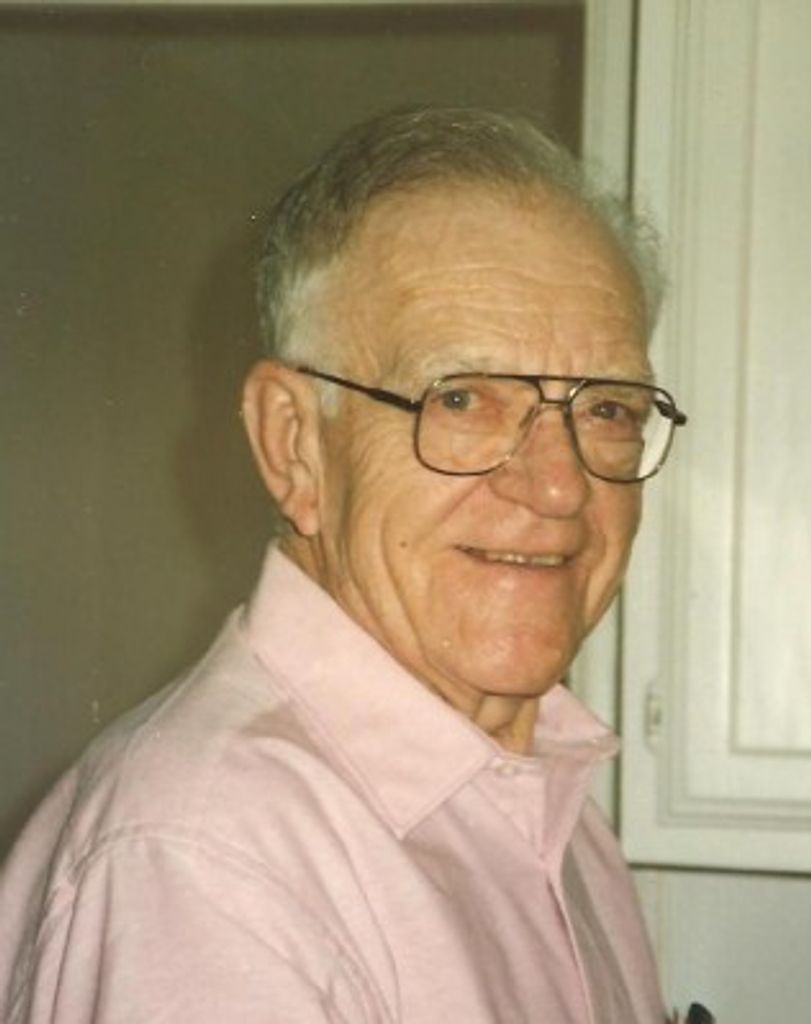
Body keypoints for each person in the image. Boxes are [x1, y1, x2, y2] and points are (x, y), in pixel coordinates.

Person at [0, 107, 687, 1023]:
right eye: (462, 399)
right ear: (294, 446)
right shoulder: (208, 869)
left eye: (607, 409)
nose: (560, 487)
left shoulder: (551, 803)